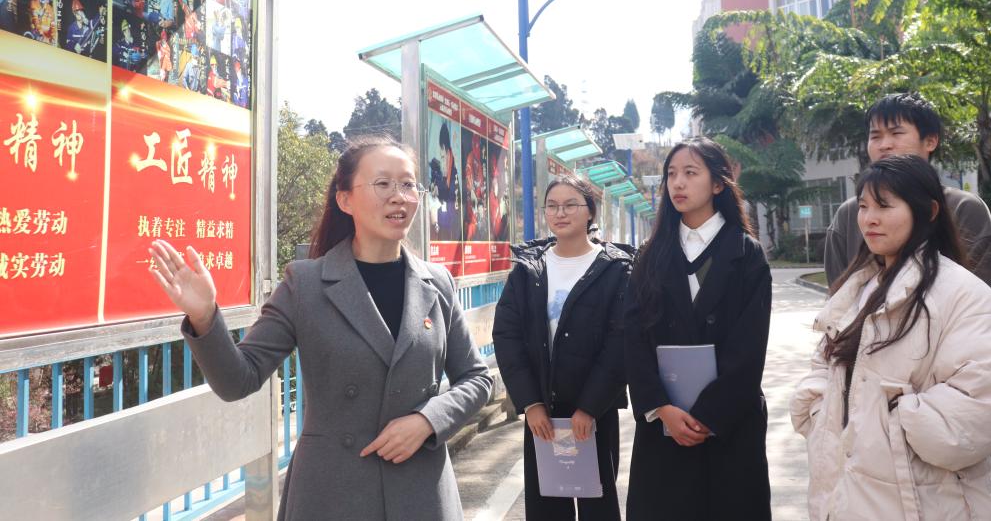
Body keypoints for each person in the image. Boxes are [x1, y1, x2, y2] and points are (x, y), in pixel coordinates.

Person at [148, 136, 492, 520]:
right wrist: (205, 317)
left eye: (408, 184)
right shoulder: (306, 284)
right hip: (332, 494)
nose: (399, 196)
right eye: (383, 184)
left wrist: (428, 420)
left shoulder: (437, 282)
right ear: (345, 200)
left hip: (421, 494)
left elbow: (476, 379)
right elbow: (238, 380)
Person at [791, 154, 991, 520]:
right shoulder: (857, 289)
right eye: (863, 206)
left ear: (928, 211)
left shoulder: (964, 295)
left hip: (930, 503)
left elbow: (985, 406)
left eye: (884, 206)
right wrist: (820, 412)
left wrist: (896, 419)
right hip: (847, 499)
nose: (869, 218)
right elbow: (824, 364)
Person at [624, 137, 772, 520]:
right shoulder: (650, 255)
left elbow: (749, 347)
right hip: (665, 425)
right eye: (672, 174)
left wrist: (708, 416)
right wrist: (661, 408)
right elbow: (633, 339)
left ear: (718, 184)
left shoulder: (746, 254)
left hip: (729, 425)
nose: (678, 183)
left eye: (691, 173)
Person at [493, 175, 632, 520]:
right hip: (543, 410)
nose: (560, 213)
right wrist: (530, 403)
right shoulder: (528, 270)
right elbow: (507, 336)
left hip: (595, 413)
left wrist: (590, 407)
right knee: (547, 506)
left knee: (598, 504)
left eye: (571, 205)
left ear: (590, 212)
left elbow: (621, 343)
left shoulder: (616, 269)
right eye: (552, 206)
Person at [825, 93, 991, 290]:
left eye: (896, 133)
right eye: (875, 136)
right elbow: (840, 299)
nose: (884, 145)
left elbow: (979, 296)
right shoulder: (849, 215)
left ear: (930, 141)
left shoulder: (964, 208)